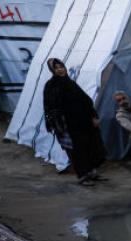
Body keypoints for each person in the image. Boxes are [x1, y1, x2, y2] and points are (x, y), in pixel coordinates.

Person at [42, 58, 107, 186]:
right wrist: (59, 125)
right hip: (68, 125)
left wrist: (93, 115)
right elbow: (50, 107)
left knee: (91, 145)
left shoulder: (70, 83)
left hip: (84, 121)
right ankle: (83, 176)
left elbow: (85, 100)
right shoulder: (51, 86)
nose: (60, 70)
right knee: (77, 150)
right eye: (56, 68)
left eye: (61, 67)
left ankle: (91, 172)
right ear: (52, 71)